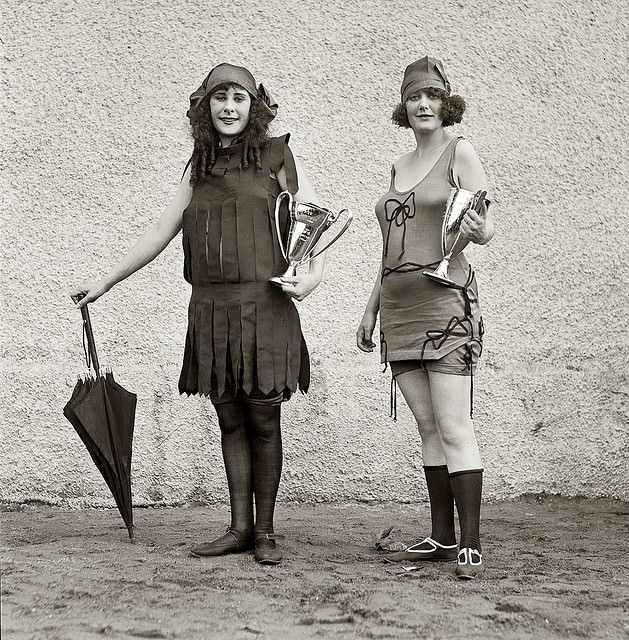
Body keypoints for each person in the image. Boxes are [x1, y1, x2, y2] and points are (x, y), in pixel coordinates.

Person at [72, 63, 325, 565]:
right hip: (211, 308)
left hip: (265, 305)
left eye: (239, 98)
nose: (229, 107)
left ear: (255, 108)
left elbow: (310, 221)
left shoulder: (277, 155)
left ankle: (267, 532)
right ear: (205, 107)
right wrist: (105, 280)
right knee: (229, 417)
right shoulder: (199, 163)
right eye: (219, 98)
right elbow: (161, 231)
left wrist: (310, 277)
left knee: (263, 419)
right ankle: (239, 528)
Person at [356, 56, 495, 580]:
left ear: (446, 103)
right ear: (404, 105)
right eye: (415, 96)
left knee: (455, 423)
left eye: (433, 95)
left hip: (444, 305)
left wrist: (481, 232)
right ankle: (440, 535)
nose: (423, 104)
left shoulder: (461, 151)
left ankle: (470, 542)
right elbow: (390, 247)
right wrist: (371, 309)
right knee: (427, 424)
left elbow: (483, 226)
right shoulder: (398, 166)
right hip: (398, 309)